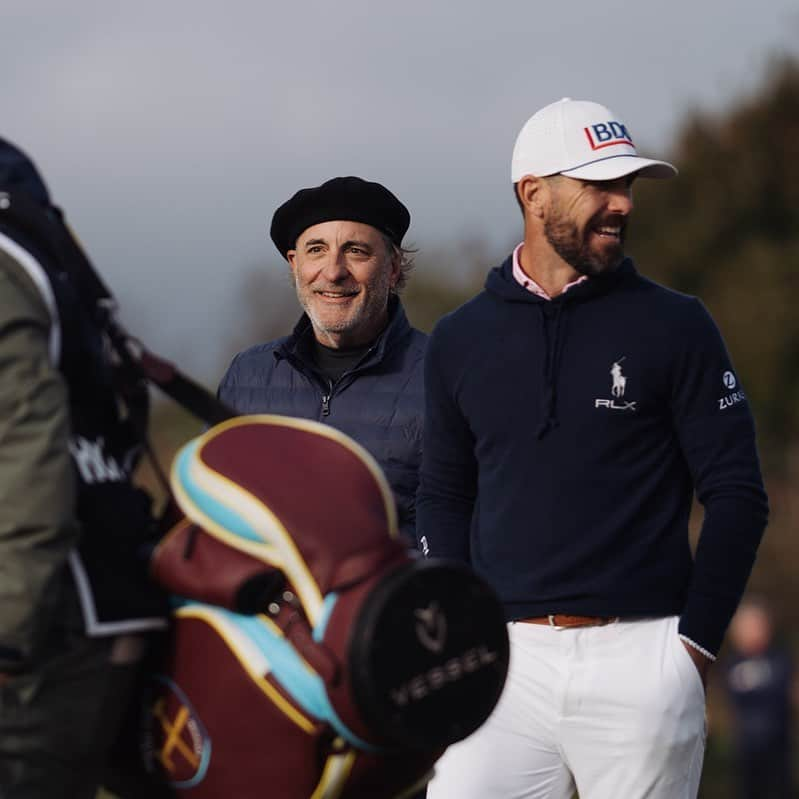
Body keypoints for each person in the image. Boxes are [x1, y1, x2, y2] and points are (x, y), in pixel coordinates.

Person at [417, 98, 769, 798]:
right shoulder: (458, 339)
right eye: (597, 185)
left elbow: (737, 495)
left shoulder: (677, 325)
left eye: (626, 185)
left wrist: (691, 647)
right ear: (532, 193)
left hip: (643, 655)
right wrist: (458, 634)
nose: (620, 204)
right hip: (500, 663)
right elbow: (443, 494)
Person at [0, 138, 166, 797]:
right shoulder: (37, 250)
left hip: (46, 632)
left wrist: (8, 633)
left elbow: (25, 436)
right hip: (96, 597)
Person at [218, 176, 426, 543]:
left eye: (356, 251)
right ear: (294, 264)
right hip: (269, 599)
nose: (333, 271)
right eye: (316, 250)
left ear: (393, 267)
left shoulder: (444, 375)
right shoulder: (247, 375)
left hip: (396, 597)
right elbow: (217, 507)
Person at [723, 597, 794, 799]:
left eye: (757, 626)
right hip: (747, 748)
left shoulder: (779, 658)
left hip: (778, 747)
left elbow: (783, 693)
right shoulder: (732, 664)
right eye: (747, 628)